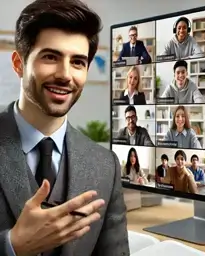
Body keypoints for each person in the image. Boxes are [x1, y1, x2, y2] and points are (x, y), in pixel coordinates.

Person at [0, 1, 129, 256]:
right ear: (18, 63)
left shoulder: (106, 165)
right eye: (51, 57)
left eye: (78, 62)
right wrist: (10, 247)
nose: (65, 75)